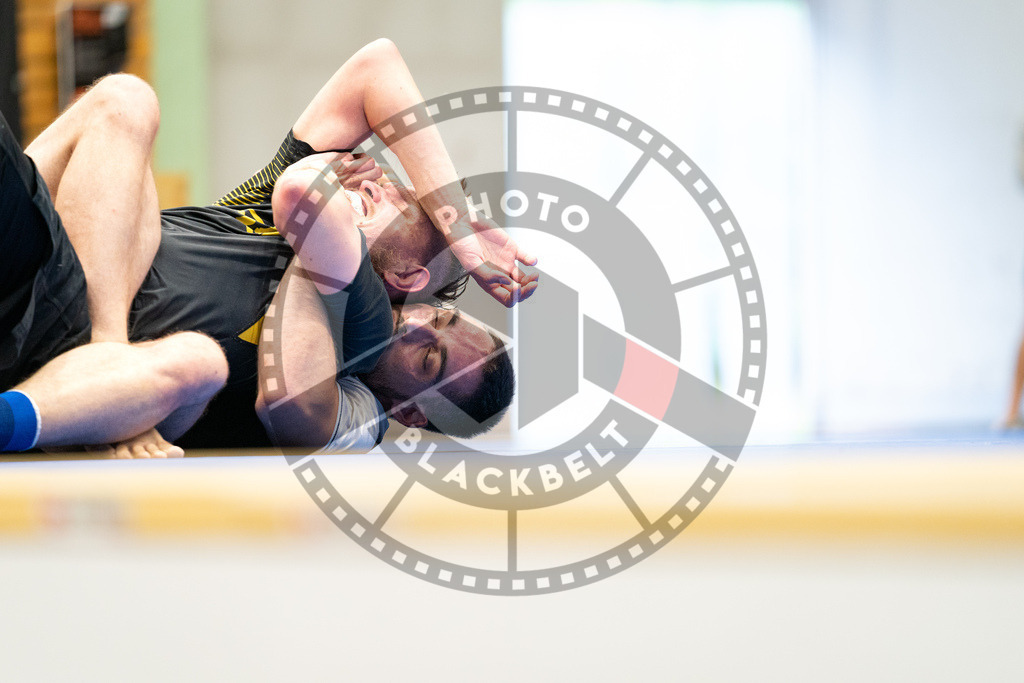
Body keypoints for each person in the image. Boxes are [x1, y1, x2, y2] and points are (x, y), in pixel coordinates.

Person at [1, 39, 535, 456]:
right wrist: (455, 223)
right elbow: (377, 66)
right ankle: (105, 352)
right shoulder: (278, 211)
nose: (376, 183)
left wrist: (329, 212)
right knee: (126, 98)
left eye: (430, 357)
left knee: (199, 361)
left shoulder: (363, 335)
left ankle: (92, 374)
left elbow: (291, 405)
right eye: (439, 319)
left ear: (406, 279)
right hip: (47, 263)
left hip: (56, 350)